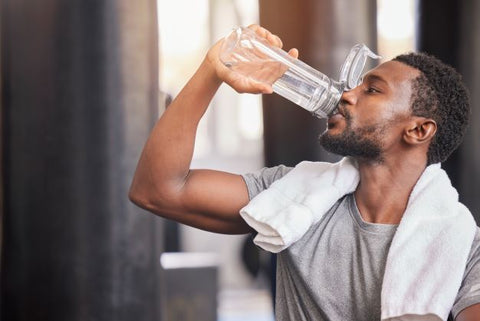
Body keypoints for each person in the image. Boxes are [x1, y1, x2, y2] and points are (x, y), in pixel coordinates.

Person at [129, 25, 480, 320]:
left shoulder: (464, 245)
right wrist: (212, 70)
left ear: (418, 131)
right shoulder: (295, 198)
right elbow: (157, 189)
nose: (347, 95)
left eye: (371, 89)